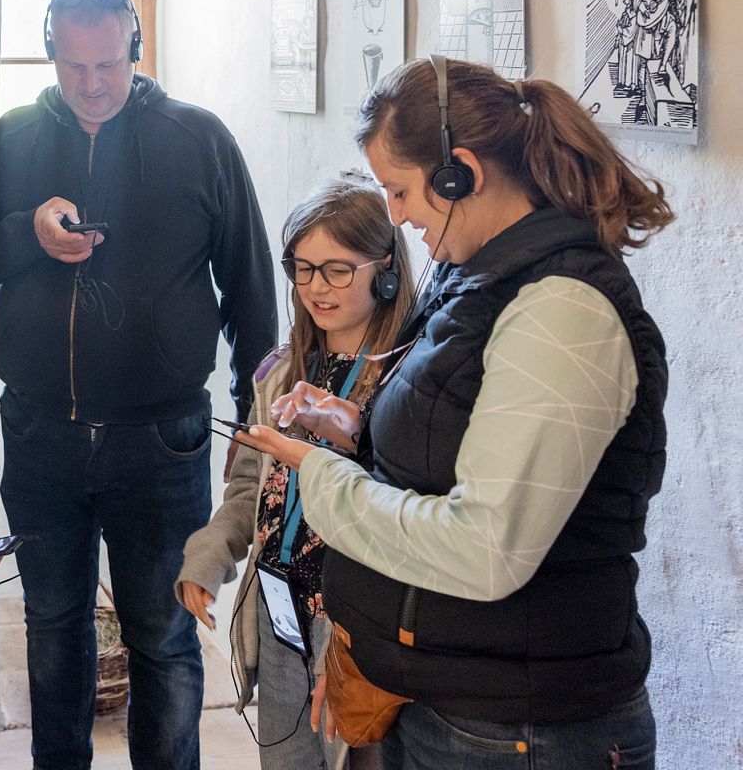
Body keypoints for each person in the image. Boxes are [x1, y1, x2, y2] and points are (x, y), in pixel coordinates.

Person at [243, 57, 674, 769]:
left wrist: (324, 479)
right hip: (458, 703)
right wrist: (354, 433)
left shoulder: (561, 310)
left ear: (460, 174)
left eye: (400, 190)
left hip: (523, 728)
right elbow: (457, 446)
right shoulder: (470, 276)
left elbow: (488, 548)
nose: (395, 215)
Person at [0, 0, 277, 769]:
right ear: (52, 50)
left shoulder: (200, 139)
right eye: (73, 66)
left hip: (165, 443)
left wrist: (253, 428)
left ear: (135, 45)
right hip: (40, 433)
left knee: (162, 637)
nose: (92, 85)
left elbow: (253, 292)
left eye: (109, 64)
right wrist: (26, 232)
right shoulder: (16, 136)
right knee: (53, 631)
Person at [177, 178, 413, 770]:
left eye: (337, 270)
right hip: (281, 614)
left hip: (357, 629)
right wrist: (209, 554)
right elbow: (249, 489)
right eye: (302, 268)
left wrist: (354, 433)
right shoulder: (278, 371)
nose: (315, 288)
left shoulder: (409, 375)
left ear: (384, 269)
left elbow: (409, 500)